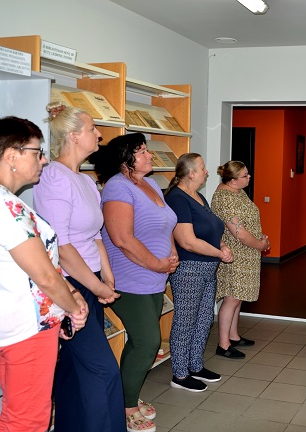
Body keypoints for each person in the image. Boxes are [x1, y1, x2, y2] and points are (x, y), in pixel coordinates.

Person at [0, 117, 88, 432]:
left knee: (21, 415)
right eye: (37, 152)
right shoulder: (2, 206)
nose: (43, 160)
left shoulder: (0, 200)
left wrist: (70, 298)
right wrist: (73, 308)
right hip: (26, 327)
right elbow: (44, 276)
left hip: (28, 323)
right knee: (27, 420)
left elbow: (41, 268)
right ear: (12, 155)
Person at [33, 103, 125, 432]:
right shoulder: (54, 178)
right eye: (92, 129)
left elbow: (94, 234)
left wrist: (107, 274)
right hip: (70, 286)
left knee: (74, 369)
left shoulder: (85, 180)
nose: (99, 134)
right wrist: (97, 286)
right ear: (73, 136)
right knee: (103, 371)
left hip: (91, 280)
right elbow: (61, 246)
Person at [95, 133, 179, 432]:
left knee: (141, 341)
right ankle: (126, 407)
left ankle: (126, 394)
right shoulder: (117, 187)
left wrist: (171, 254)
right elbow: (122, 239)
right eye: (142, 151)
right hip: (130, 278)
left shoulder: (150, 184)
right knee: (147, 342)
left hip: (155, 277)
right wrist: (157, 263)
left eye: (146, 150)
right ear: (125, 160)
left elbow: (166, 223)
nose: (149, 155)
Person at [164, 153, 232, 392]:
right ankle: (180, 374)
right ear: (191, 173)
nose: (207, 172)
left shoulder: (199, 196)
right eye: (203, 168)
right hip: (189, 269)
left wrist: (222, 246)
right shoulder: (177, 199)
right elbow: (188, 241)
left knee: (204, 319)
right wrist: (219, 253)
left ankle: (195, 365)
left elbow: (212, 229)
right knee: (186, 320)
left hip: (208, 267)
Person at [211, 161, 270, 360]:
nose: (249, 177)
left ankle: (233, 336)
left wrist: (261, 239)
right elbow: (239, 233)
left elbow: (248, 222)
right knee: (232, 298)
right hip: (235, 255)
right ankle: (223, 344)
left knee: (239, 296)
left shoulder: (238, 191)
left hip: (247, 253)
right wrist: (260, 245)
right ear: (232, 180)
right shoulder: (224, 198)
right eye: (245, 175)